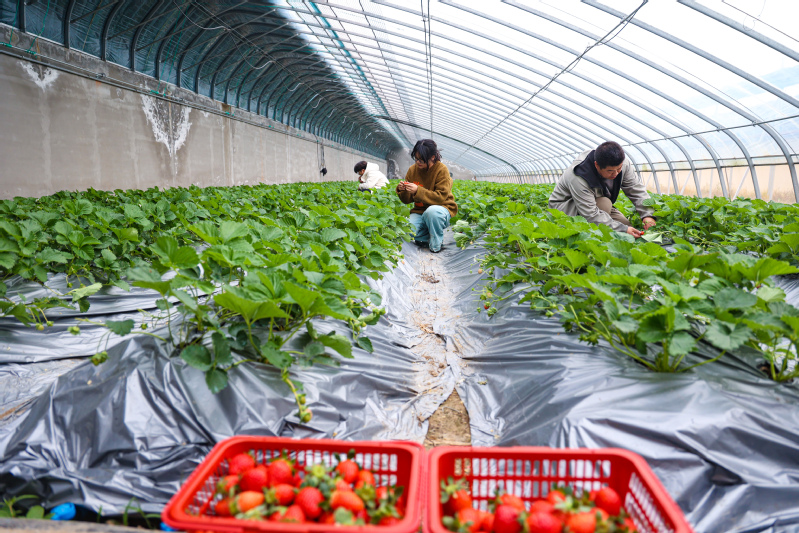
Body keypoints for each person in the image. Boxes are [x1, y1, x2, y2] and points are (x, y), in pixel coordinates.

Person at [548, 141, 656, 238]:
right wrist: (623, 230)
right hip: (565, 208)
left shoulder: (623, 164)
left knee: (628, 226)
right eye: (610, 171)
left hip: (596, 203)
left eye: (618, 169)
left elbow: (636, 189)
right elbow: (590, 214)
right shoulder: (579, 175)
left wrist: (648, 215)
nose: (615, 173)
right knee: (611, 216)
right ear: (597, 165)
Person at [396, 139, 458, 253]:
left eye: (421, 160)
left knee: (432, 212)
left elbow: (440, 197)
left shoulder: (441, 169)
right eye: (416, 159)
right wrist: (403, 190)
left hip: (441, 209)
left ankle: (436, 244)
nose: (418, 162)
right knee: (406, 231)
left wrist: (417, 190)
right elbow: (406, 200)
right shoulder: (412, 170)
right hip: (420, 212)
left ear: (432, 157)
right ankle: (426, 236)